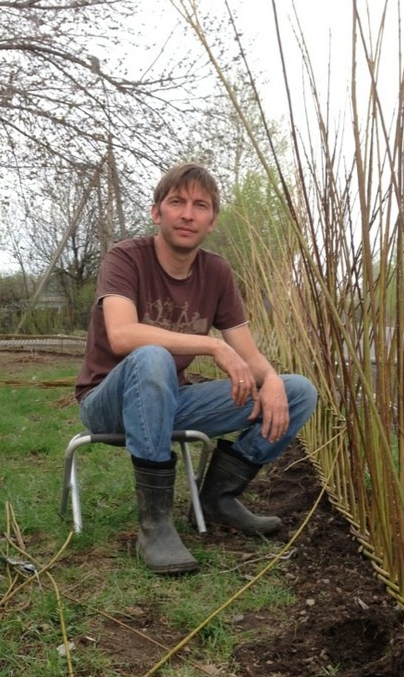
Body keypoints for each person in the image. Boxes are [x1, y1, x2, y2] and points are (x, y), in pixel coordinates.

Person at [74, 163, 317, 574]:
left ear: (211, 221)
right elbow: (121, 335)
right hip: (107, 400)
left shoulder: (216, 272)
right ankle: (156, 524)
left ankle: (217, 499)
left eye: (200, 205)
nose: (188, 214)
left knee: (299, 391)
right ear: (157, 212)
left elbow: (249, 353)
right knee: (153, 356)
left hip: (172, 399)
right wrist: (210, 345)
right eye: (177, 202)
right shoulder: (125, 258)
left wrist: (272, 379)